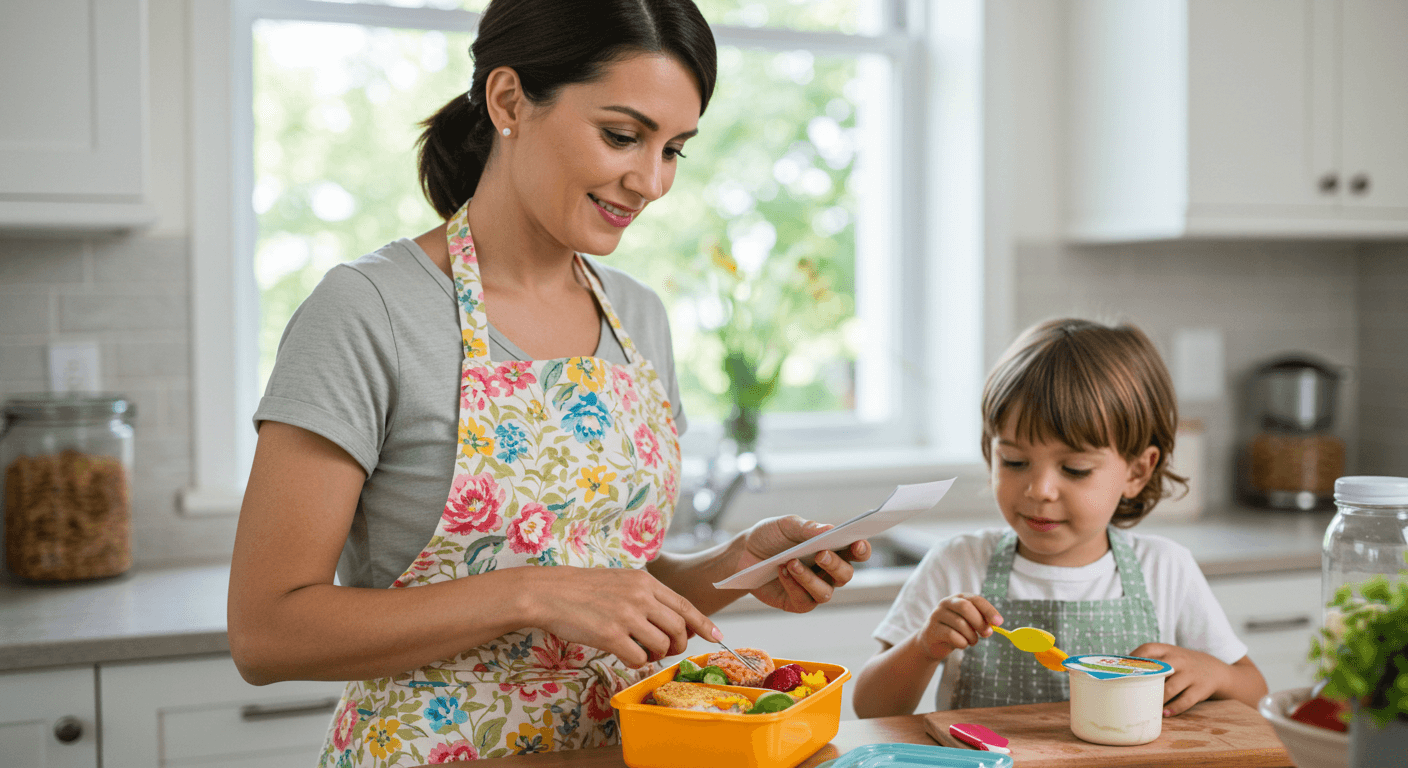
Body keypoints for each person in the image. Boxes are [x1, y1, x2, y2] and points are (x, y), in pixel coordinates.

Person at [225, 1, 870, 764]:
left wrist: (735, 567)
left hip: (619, 750)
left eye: (674, 150)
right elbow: (266, 633)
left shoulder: (638, 314)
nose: (652, 181)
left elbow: (608, 584)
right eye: (623, 136)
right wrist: (530, 592)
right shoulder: (369, 310)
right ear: (508, 101)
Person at [852, 318, 1267, 718]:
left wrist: (1217, 674)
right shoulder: (956, 565)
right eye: (1014, 462)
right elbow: (870, 708)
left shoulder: (1165, 570)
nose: (1040, 490)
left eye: (1075, 469)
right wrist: (924, 647)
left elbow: (1256, 694)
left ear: (1137, 471)